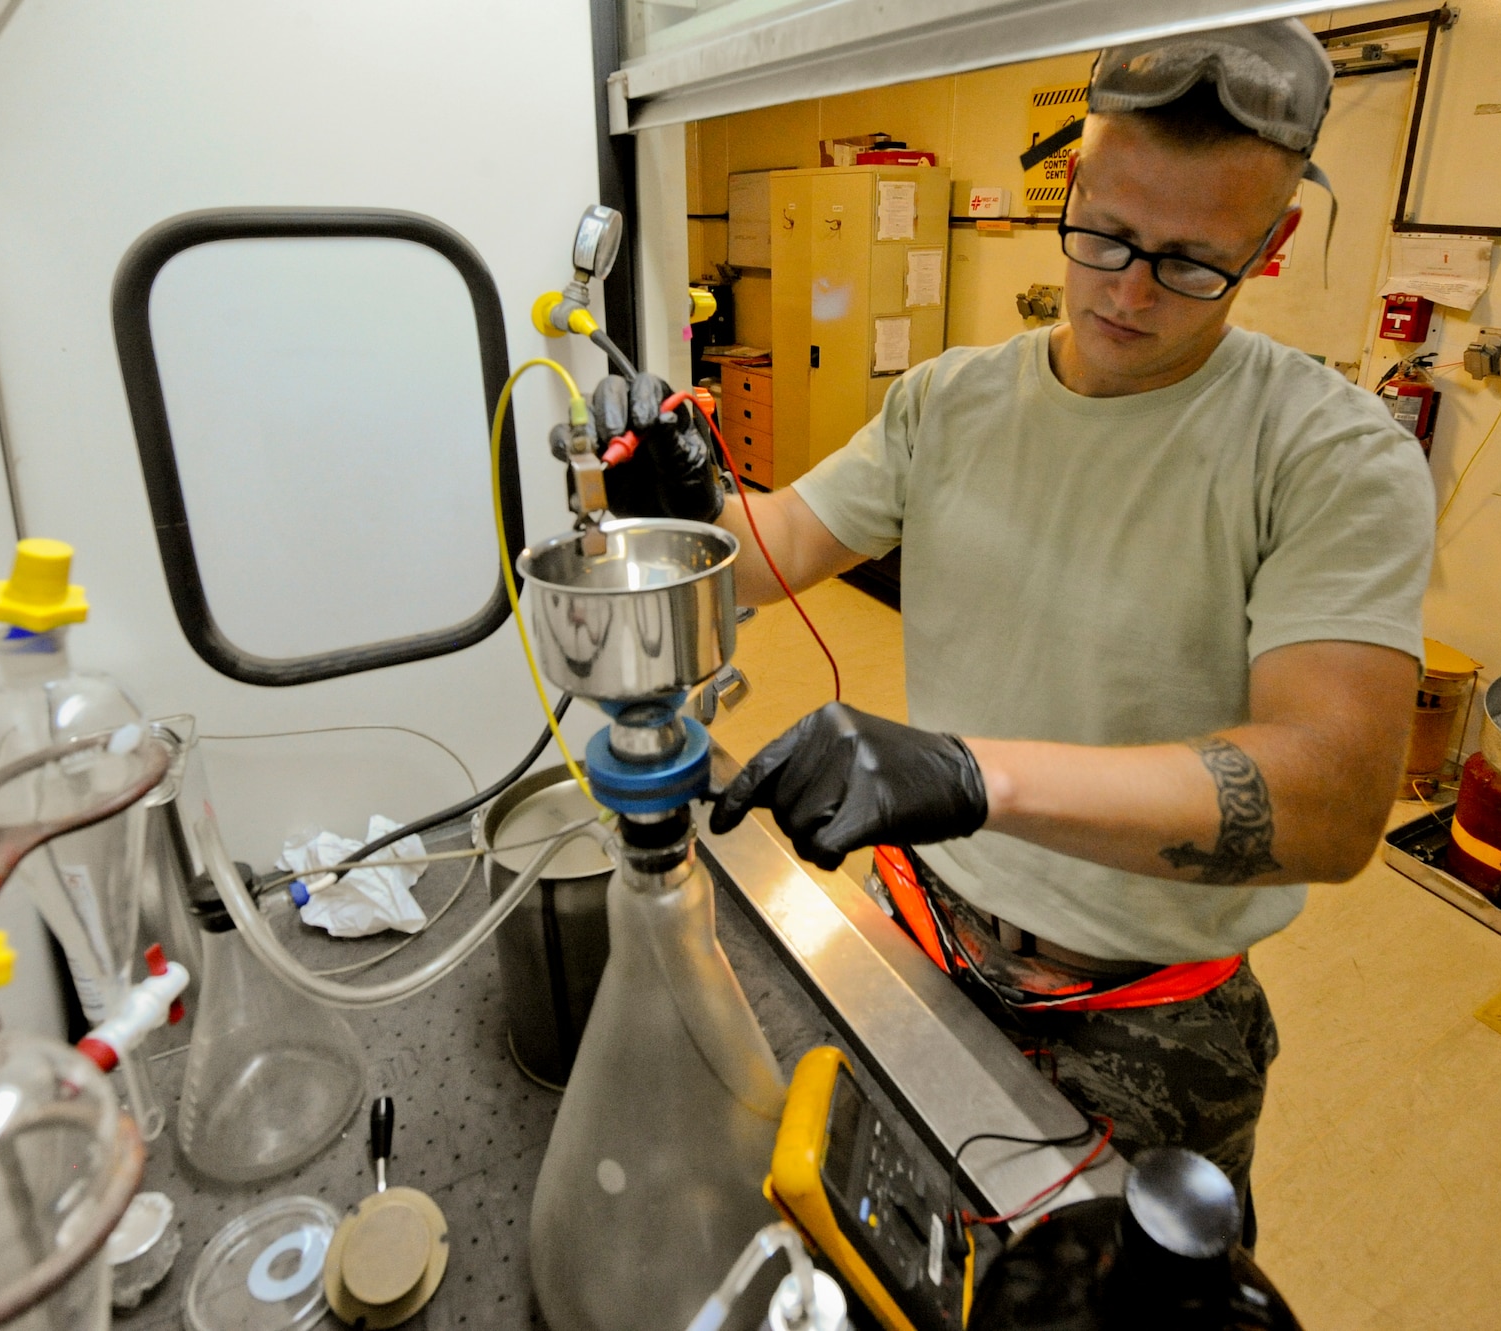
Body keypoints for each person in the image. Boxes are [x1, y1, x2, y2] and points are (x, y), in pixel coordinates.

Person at [588, 19, 1434, 1233]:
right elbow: (775, 554)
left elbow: (1332, 797)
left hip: (1143, 1015)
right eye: (1102, 235)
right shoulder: (951, 399)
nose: (1128, 291)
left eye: (1193, 262)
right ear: (1071, 185)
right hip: (912, 934)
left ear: (1274, 239)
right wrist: (692, 513)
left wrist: (969, 775)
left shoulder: (1327, 454)